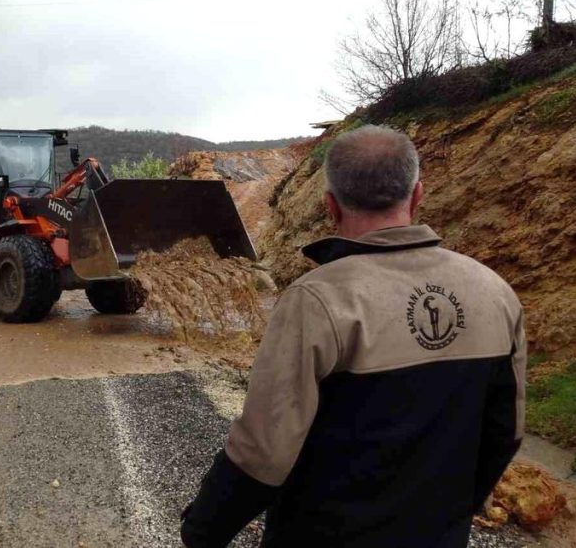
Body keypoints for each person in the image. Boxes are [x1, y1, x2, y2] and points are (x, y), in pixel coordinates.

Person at [181, 125, 526, 548]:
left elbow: (265, 451)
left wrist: (203, 530)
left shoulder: (317, 300)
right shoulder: (493, 291)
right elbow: (504, 431)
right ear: (417, 195)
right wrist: (451, 512)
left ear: (330, 205)